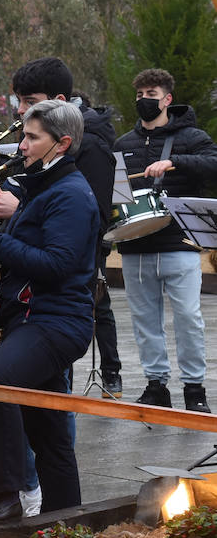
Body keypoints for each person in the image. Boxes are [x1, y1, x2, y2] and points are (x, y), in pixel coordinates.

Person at [0, 100, 99, 524]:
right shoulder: (47, 187)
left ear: (60, 143)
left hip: (56, 320)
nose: (21, 145)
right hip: (35, 316)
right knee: (49, 432)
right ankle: (66, 518)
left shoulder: (71, 194)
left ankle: (7, 493)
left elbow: (58, 264)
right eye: (23, 135)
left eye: (31, 137)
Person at [0, 57, 120, 397]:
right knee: (41, 403)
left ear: (59, 103)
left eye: (29, 102)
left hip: (60, 297)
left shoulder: (90, 147)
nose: (20, 110)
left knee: (43, 388)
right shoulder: (39, 142)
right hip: (30, 296)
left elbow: (88, 218)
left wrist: (18, 210)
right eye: (19, 101)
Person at [113, 68, 217, 412]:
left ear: (167, 99)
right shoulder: (124, 144)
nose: (145, 100)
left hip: (179, 243)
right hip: (135, 244)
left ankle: (194, 388)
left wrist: (174, 162)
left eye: (152, 94)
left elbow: (213, 164)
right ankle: (156, 384)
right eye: (140, 95)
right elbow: (114, 192)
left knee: (188, 318)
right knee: (144, 321)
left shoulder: (191, 136)